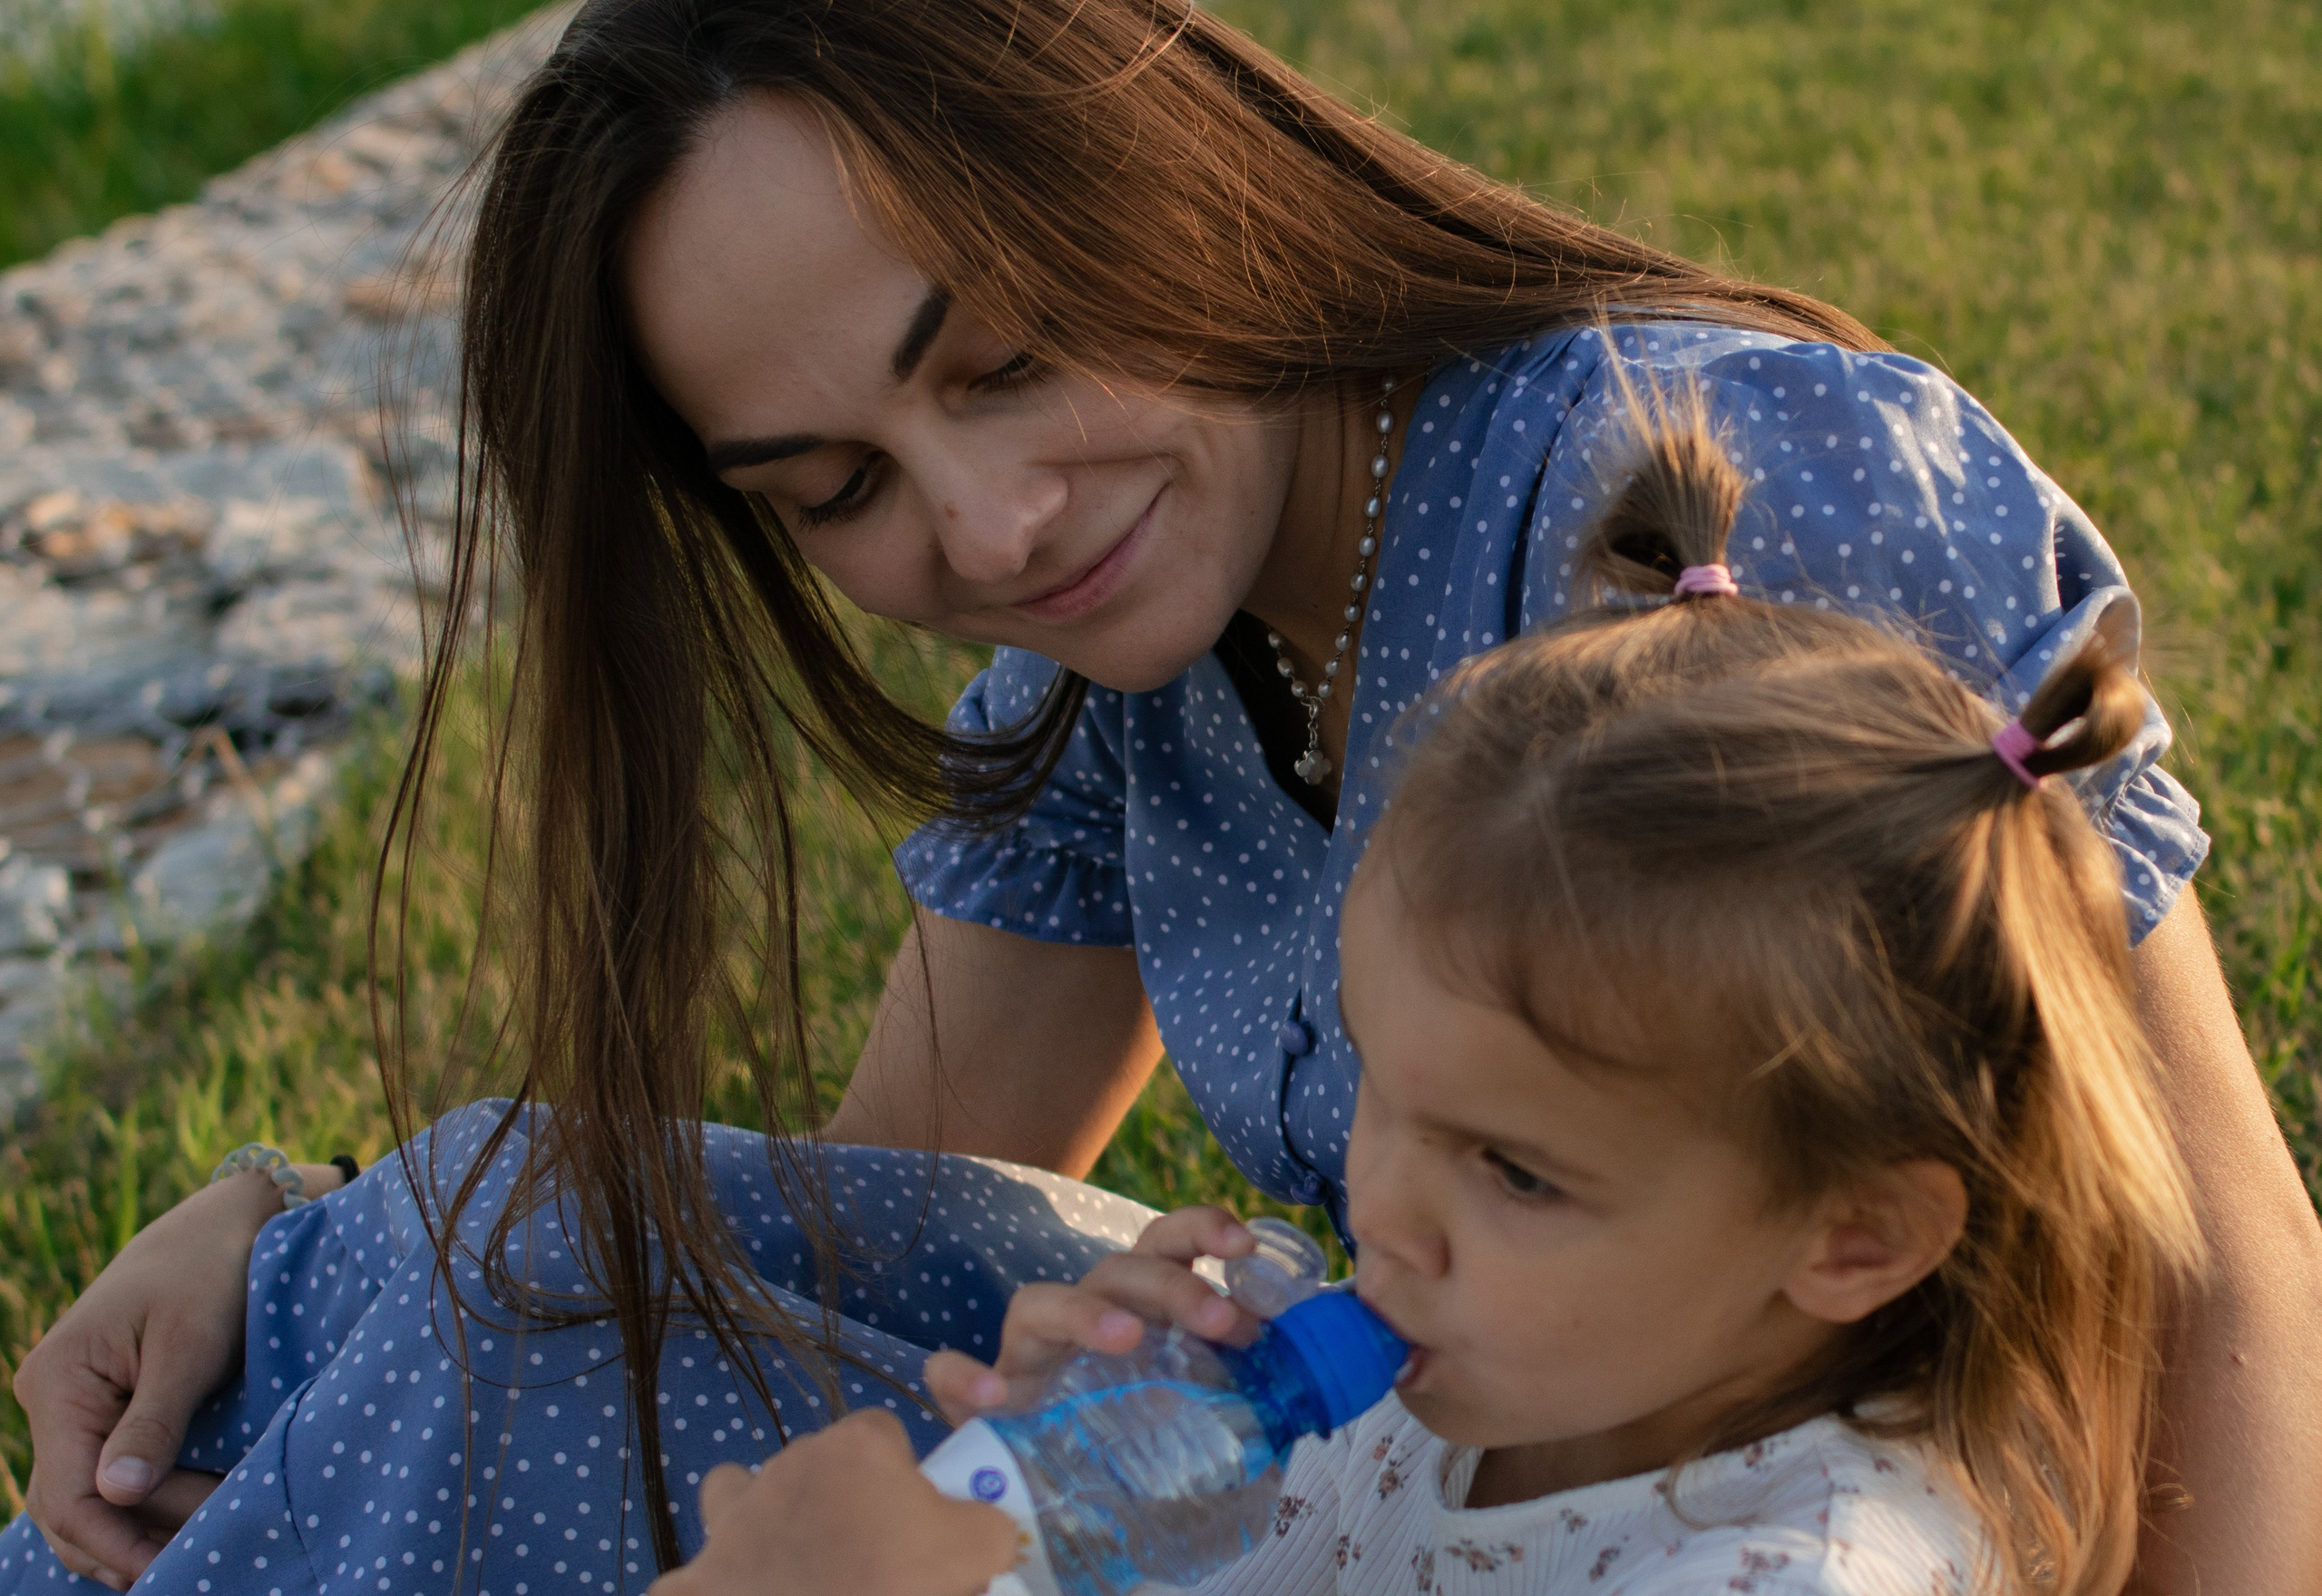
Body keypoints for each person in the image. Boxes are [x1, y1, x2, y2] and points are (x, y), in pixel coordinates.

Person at [8, 0, 2317, 1588]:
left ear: (1156, 163)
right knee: (480, 1262)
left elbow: (2206, 1256)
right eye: (835, 490)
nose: (989, 525)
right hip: (1426, 1466)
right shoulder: (1115, 648)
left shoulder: (1693, 493)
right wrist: (299, 1238)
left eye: (1008, 356)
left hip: (1687, 1494)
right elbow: (861, 1208)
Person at [663, 411, 2210, 1595]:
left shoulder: (1796, 1570)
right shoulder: (1500, 1378)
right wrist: (1068, 1505)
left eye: (1516, 1172)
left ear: (1855, 1235)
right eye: (1383, 1094)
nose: (1387, 1218)